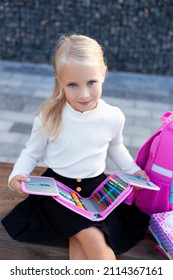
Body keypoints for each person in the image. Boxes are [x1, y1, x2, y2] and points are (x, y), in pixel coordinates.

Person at [1, 34, 150, 260]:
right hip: (57, 193)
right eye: (72, 84)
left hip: (97, 191)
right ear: (60, 82)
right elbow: (30, 153)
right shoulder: (49, 116)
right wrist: (17, 175)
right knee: (90, 235)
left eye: (91, 82)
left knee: (82, 234)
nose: (83, 94)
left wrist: (133, 171)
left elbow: (116, 148)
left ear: (104, 74)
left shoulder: (113, 116)